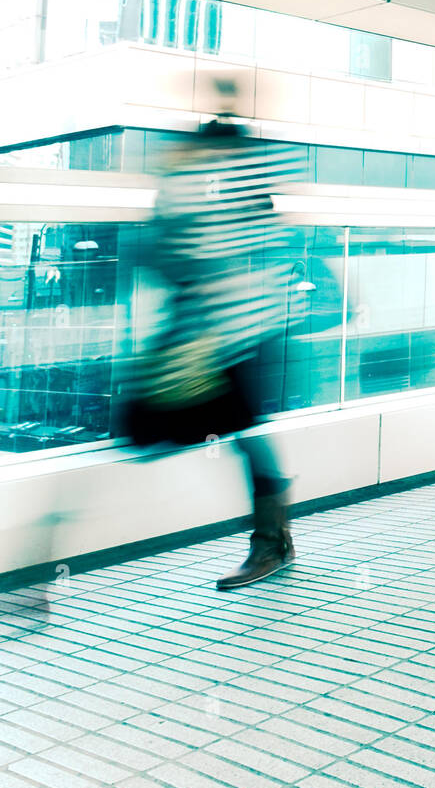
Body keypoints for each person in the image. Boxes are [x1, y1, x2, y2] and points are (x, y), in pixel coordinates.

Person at [119, 88, 304, 590]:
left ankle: (272, 539)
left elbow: (180, 251)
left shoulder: (219, 190)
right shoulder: (213, 187)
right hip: (217, 336)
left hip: (228, 337)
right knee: (235, 432)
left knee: (233, 430)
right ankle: (272, 536)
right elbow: (176, 249)